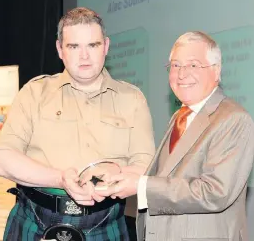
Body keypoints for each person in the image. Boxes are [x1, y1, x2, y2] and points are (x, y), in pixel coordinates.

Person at [0, 7, 155, 241]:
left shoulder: (132, 99)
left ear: (106, 46)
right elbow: (1, 160)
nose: (84, 56)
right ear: (60, 50)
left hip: (105, 225)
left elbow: (145, 167)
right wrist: (59, 179)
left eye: (93, 45)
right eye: (74, 46)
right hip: (34, 222)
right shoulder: (34, 93)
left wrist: (114, 175)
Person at [96, 31, 254, 241]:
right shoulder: (180, 117)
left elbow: (214, 192)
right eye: (176, 65)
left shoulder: (233, 119)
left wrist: (141, 186)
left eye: (193, 65)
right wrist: (125, 175)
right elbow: (171, 177)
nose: (181, 74)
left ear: (216, 72)